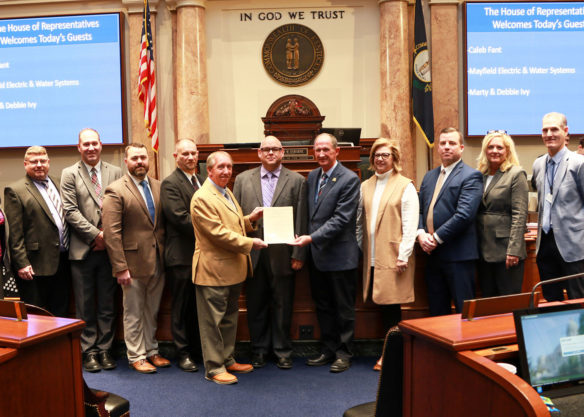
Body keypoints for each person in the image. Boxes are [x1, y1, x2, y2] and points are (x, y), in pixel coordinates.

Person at [191, 151, 267, 385]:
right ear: (210, 170)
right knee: (212, 322)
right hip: (213, 271)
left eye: (229, 167)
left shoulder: (225, 192)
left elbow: (230, 224)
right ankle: (214, 368)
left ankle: (226, 358)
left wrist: (249, 219)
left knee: (228, 319)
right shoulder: (202, 197)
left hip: (232, 269)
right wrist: (250, 243)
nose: (226, 171)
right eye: (221, 167)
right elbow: (217, 233)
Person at [233, 136, 307, 370]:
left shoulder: (296, 181)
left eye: (275, 149)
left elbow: (302, 219)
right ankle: (259, 351)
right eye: (266, 149)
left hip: (283, 254)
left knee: (283, 304)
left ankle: (283, 351)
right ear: (259, 153)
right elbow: (236, 219)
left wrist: (299, 255)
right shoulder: (243, 180)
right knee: (256, 304)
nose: (271, 153)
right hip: (252, 253)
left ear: (283, 152)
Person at [292, 133, 360, 373]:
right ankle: (328, 349)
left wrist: (311, 238)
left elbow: (342, 219)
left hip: (341, 256)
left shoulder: (350, 179)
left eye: (326, 150)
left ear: (336, 151)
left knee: (343, 309)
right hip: (317, 257)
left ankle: (344, 353)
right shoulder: (312, 176)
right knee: (323, 306)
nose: (321, 154)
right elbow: (309, 214)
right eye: (317, 150)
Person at [102, 143, 169, 374]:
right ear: (126, 161)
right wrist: (120, 267)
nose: (140, 162)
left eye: (143, 157)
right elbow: (111, 233)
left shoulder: (159, 186)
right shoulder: (115, 190)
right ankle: (136, 355)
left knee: (152, 310)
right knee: (133, 312)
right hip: (131, 265)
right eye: (135, 158)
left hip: (158, 261)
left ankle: (152, 350)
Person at [61, 128, 122, 372]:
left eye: (94, 143)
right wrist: (97, 235)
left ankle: (106, 349)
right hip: (82, 251)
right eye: (85, 144)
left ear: (101, 145)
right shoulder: (69, 173)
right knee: (85, 306)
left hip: (109, 251)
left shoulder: (115, 172)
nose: (90, 148)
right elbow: (70, 211)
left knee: (108, 304)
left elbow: (120, 206)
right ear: (79, 147)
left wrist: (107, 238)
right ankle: (89, 352)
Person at [356, 138, 418, 371]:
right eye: (377, 155)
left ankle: (392, 355)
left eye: (385, 155)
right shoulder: (366, 185)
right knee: (380, 304)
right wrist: (361, 246)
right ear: (371, 159)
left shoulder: (405, 185)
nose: (380, 159)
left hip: (394, 255)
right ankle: (389, 351)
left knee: (392, 306)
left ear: (394, 159)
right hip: (372, 255)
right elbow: (359, 221)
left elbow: (411, 223)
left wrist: (404, 254)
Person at [417, 127, 483, 316]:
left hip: (458, 257)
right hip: (432, 256)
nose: (447, 147)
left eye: (452, 143)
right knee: (437, 313)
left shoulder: (471, 176)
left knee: (465, 313)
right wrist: (421, 233)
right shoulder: (429, 176)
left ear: (461, 148)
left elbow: (464, 215)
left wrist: (435, 238)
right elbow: (420, 210)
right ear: (438, 148)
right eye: (443, 143)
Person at [4, 146, 70, 316]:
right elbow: (15, 233)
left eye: (42, 161)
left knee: (61, 311)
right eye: (34, 162)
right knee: (38, 315)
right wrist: (22, 263)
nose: (39, 165)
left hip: (64, 260)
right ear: (25, 164)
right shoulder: (15, 190)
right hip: (35, 265)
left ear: (48, 163)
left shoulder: (59, 182)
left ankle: (58, 344)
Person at [160, 139, 203, 372]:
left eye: (193, 153)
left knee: (197, 308)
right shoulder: (170, 183)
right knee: (180, 308)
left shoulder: (201, 180)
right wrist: (213, 228)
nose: (190, 157)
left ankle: (197, 350)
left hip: (201, 257)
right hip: (180, 257)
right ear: (176, 156)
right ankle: (183, 353)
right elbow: (179, 217)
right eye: (185, 153)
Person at [532, 112, 584, 301]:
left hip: (573, 246)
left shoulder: (579, 163)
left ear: (566, 131)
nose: (549, 134)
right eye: (545, 130)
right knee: (551, 304)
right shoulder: (538, 164)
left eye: (554, 129)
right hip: (544, 244)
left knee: (577, 302)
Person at [476, 131, 528, 297]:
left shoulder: (516, 174)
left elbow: (520, 214)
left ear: (507, 151)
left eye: (500, 147)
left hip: (506, 250)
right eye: (490, 147)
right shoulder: (479, 175)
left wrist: (514, 250)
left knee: (508, 302)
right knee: (488, 302)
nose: (495, 150)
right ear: (485, 150)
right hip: (482, 250)